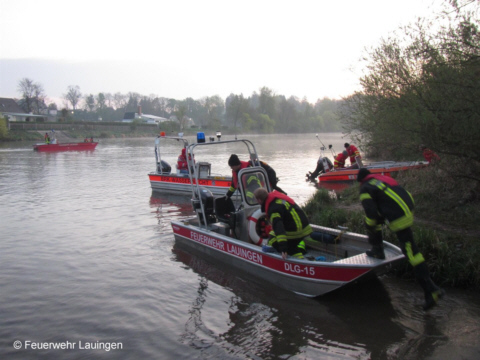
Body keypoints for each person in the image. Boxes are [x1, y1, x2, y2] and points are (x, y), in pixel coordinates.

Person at [357, 168, 444, 310]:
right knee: (378, 224)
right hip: (408, 208)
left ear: (360, 181)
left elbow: (371, 214)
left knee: (411, 253)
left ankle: (431, 290)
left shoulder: (365, 188)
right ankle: (378, 250)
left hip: (398, 216)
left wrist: (370, 226)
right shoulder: (380, 180)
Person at [254, 187, 311, 259]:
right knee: (272, 234)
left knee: (273, 241)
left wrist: (283, 248)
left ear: (259, 200)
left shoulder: (273, 209)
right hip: (304, 227)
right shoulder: (276, 199)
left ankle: (299, 259)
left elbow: (279, 228)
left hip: (295, 231)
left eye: (256, 199)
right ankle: (294, 251)